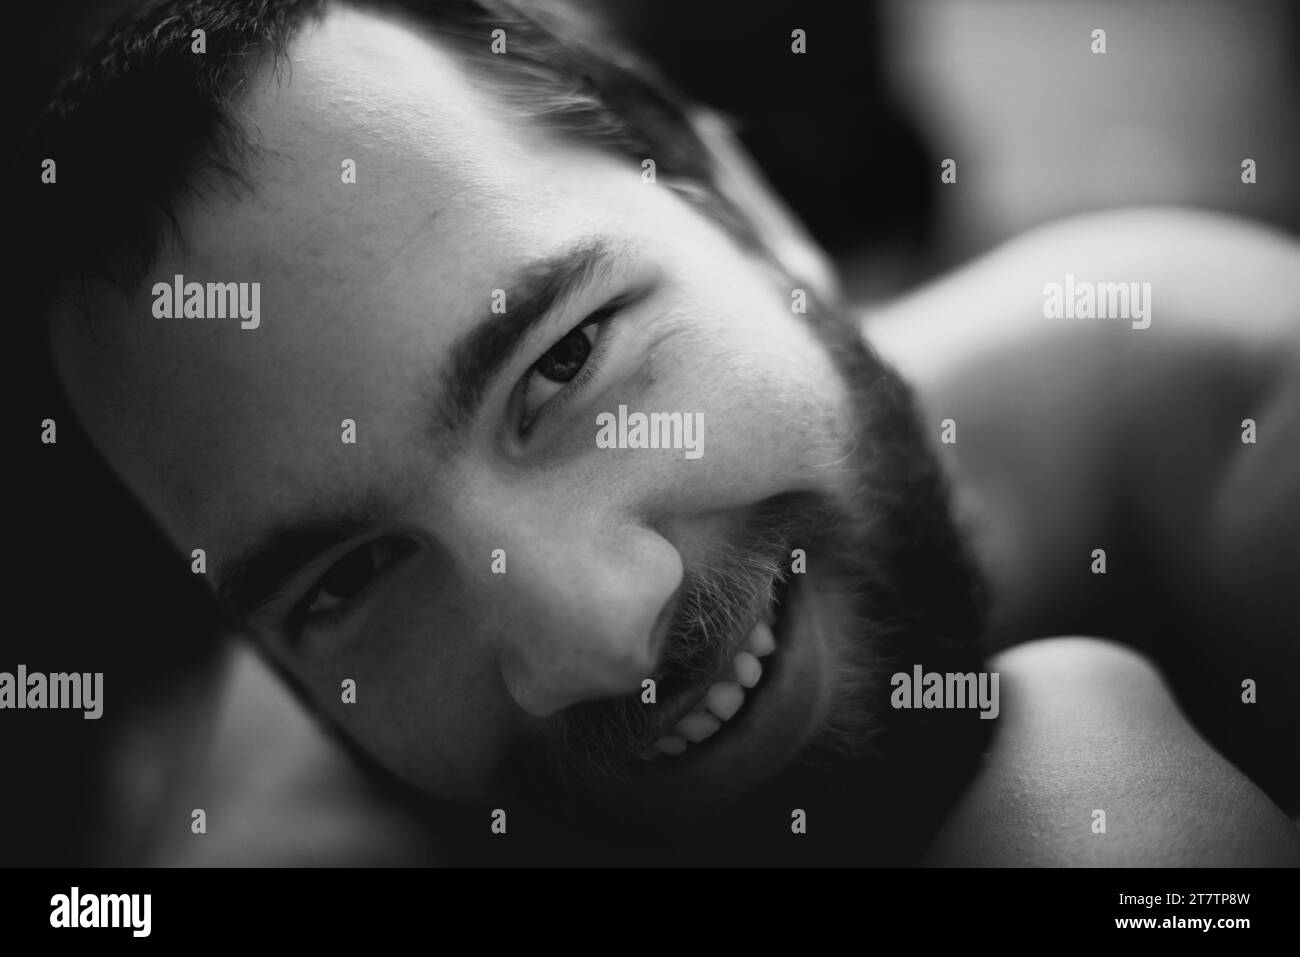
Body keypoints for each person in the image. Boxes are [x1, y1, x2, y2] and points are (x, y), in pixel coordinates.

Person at [19, 0, 1300, 865]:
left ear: (751, 212)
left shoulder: (1244, 427)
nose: (591, 638)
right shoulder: (275, 829)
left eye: (565, 362)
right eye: (347, 578)